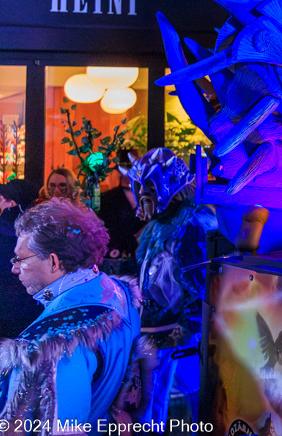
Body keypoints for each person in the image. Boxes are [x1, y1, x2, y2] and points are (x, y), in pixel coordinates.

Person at [0, 198, 143, 429]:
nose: (14, 268)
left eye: (20, 259)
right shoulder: (119, 292)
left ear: (54, 262)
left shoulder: (50, 344)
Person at [129, 148, 215, 424]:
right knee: (151, 410)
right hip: (155, 336)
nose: (143, 192)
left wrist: (189, 327)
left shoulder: (193, 222)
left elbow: (204, 286)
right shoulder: (159, 225)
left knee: (178, 411)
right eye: (140, 185)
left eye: (150, 186)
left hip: (182, 341)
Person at [0, 180, 43, 338]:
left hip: (6, 303)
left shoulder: (5, 227)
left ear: (11, 203)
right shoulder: (42, 226)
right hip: (34, 304)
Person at [98, 156, 148, 274]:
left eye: (133, 168)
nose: (129, 173)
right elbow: (106, 228)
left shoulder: (148, 196)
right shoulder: (107, 198)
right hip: (119, 261)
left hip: (144, 258)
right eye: (125, 168)